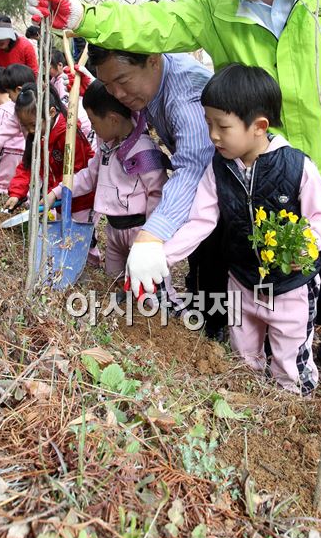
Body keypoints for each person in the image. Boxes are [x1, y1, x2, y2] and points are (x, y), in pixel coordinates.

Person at [25, 0, 321, 369]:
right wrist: (85, 19)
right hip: (254, 167)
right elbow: (152, 23)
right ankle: (259, 349)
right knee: (254, 262)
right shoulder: (215, 4)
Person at [163, 65, 321, 395]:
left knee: (289, 360)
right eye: (208, 123)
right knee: (243, 355)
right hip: (241, 281)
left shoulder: (296, 166)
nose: (212, 135)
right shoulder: (220, 166)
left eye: (222, 126)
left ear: (259, 127)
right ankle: (250, 406)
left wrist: (307, 245)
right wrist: (162, 255)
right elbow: (201, 219)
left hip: (290, 286)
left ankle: (290, 411)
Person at [83, 45, 228, 337]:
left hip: (222, 182)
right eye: (109, 86)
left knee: (216, 260)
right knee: (200, 265)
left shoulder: (184, 98)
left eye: (122, 82)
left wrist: (150, 236)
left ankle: (215, 331)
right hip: (203, 182)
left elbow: (192, 169)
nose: (118, 96)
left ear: (152, 60)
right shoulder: (144, 90)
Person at [46, 80, 170, 287]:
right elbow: (89, 176)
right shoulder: (107, 146)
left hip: (139, 229)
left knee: (149, 281)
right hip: (113, 229)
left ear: (113, 119)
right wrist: (57, 192)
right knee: (114, 277)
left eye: (94, 122)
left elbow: (157, 192)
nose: (92, 127)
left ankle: (159, 307)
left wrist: (151, 233)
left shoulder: (143, 151)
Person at [4, 84, 95, 226]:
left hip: (82, 201)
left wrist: (53, 193)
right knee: (64, 237)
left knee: (82, 240)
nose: (30, 131)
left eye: (33, 125)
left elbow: (78, 172)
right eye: (25, 126)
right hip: (57, 198)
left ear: (51, 112)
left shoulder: (69, 136)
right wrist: (16, 193)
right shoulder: (39, 136)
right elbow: (28, 165)